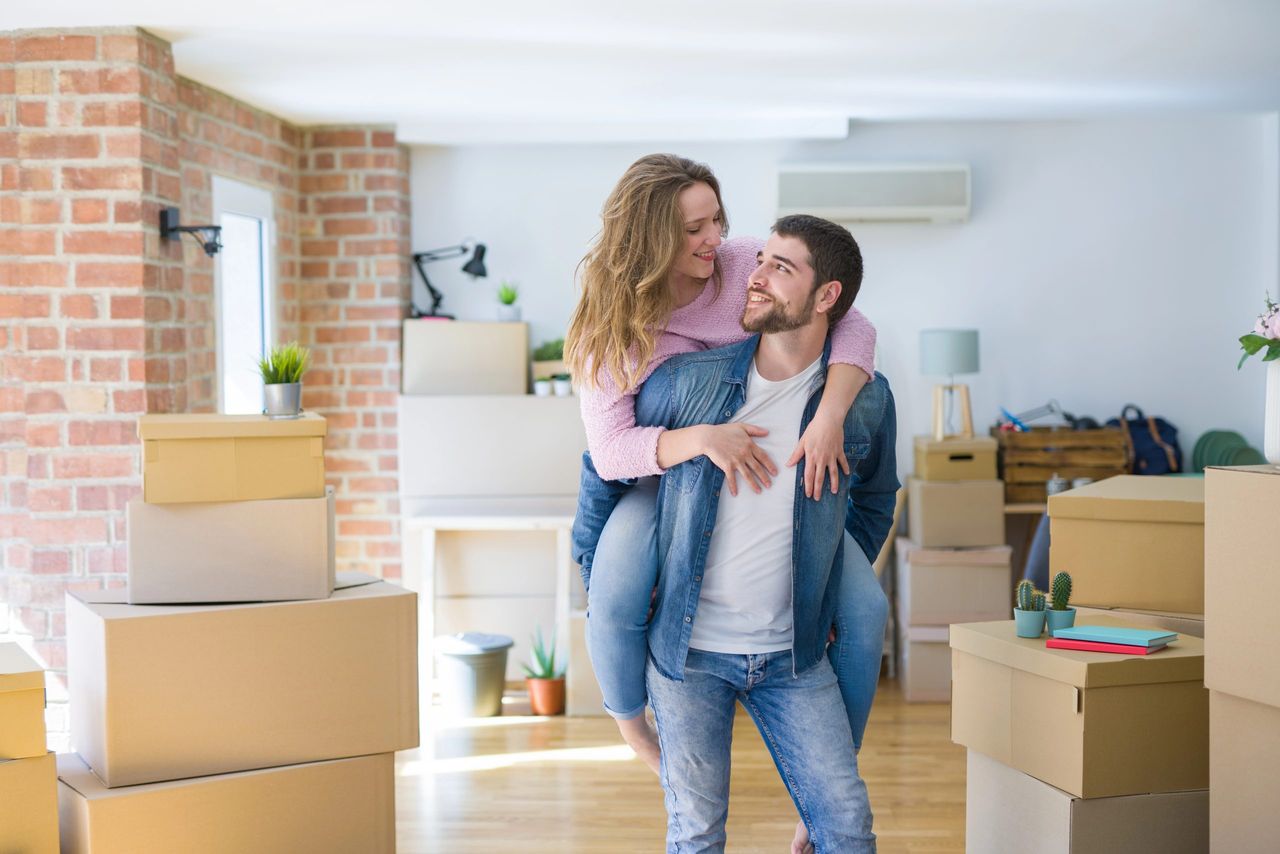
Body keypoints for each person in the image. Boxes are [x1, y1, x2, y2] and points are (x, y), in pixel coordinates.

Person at [578, 215, 898, 852]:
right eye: (761, 260)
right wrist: (599, 574)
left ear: (826, 297)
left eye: (781, 267)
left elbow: (876, 499)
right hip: (688, 658)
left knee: (846, 827)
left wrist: (828, 573)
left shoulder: (864, 399)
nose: (754, 273)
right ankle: (630, 723)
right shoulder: (681, 383)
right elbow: (604, 471)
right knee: (696, 834)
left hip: (793, 658)